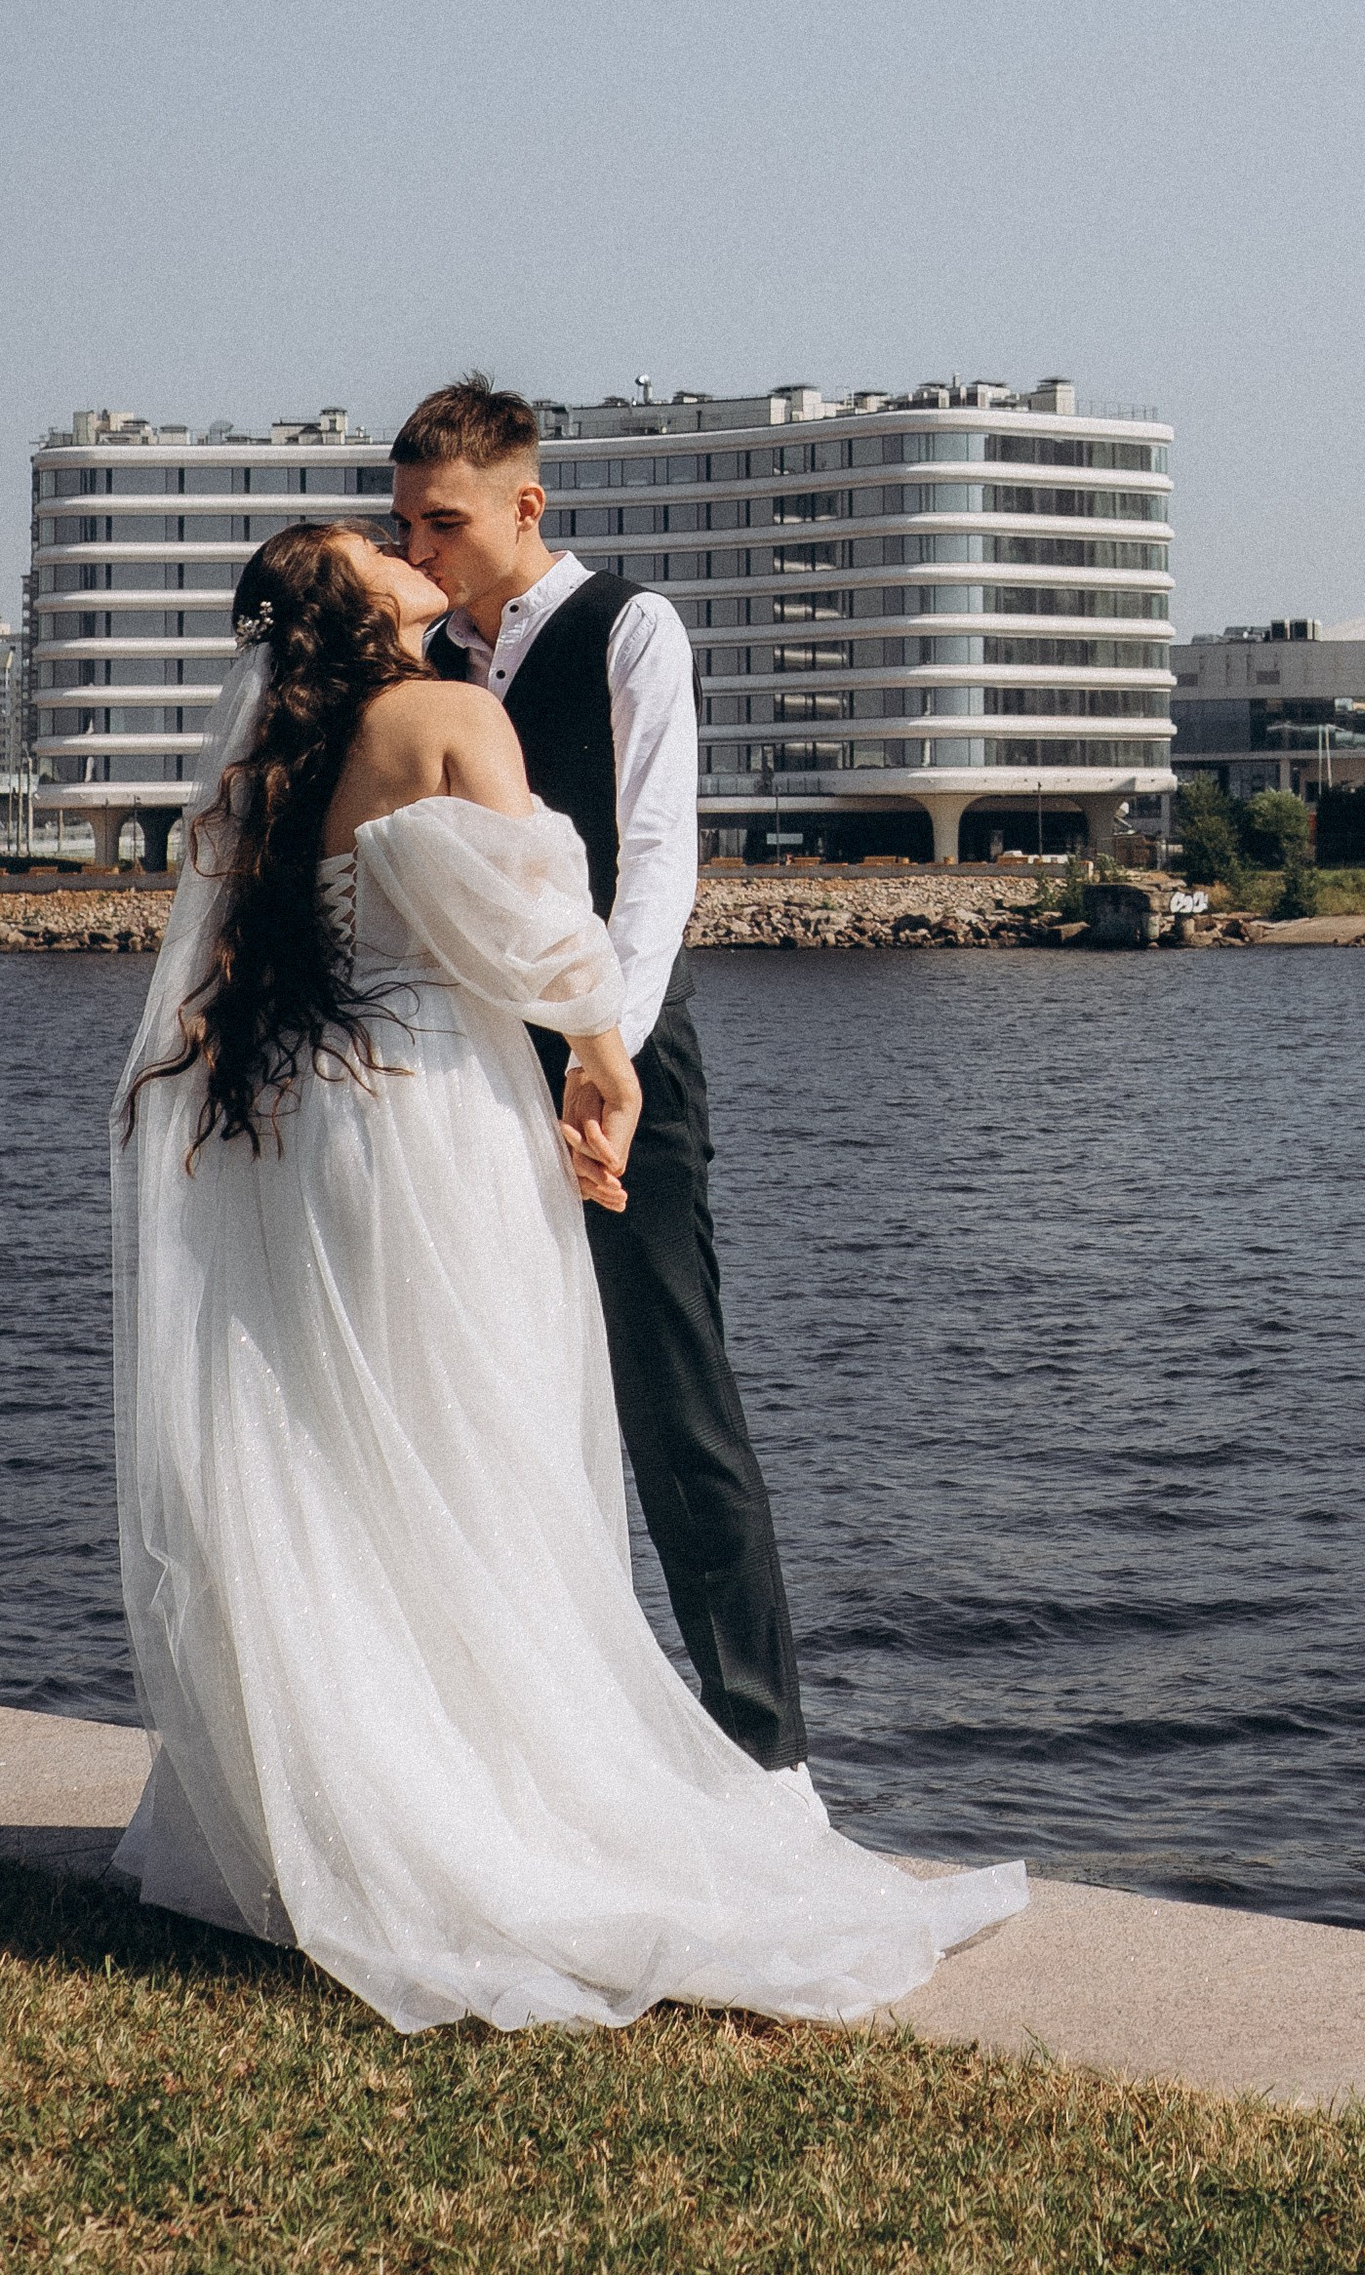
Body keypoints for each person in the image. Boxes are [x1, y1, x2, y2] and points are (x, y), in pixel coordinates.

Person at [111, 519, 1023, 2032]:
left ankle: (339, 1803)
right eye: (379, 547)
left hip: (308, 1134)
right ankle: (504, 1809)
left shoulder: (275, 763)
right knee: (485, 1447)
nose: (410, 553)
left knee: (342, 1458)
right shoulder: (449, 716)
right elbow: (545, 933)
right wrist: (604, 1070)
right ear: (358, 600)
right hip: (437, 1124)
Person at [387, 377, 803, 1774]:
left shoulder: (631, 624)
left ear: (525, 502)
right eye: (405, 526)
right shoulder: (422, 656)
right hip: (462, 1074)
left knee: (673, 1396)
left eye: (441, 521)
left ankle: (766, 1757)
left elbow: (660, 859)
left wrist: (595, 1049)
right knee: (490, 1386)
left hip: (620, 1062)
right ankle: (537, 1753)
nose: (422, 549)